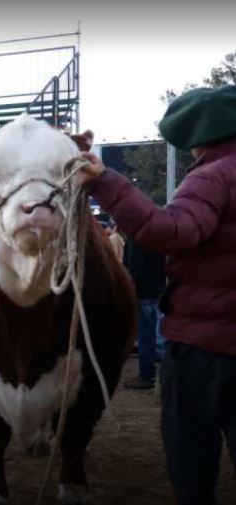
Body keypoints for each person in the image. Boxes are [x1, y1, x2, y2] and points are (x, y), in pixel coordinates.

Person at [75, 85, 236, 505]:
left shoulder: (214, 175)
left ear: (197, 136)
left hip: (207, 351)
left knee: (192, 465)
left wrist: (105, 182)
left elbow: (172, 232)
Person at [121, 239, 168, 390]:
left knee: (145, 336)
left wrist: (127, 291)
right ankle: (157, 372)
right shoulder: (154, 235)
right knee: (153, 334)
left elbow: (135, 269)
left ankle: (147, 375)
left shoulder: (136, 240)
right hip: (155, 290)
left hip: (142, 293)